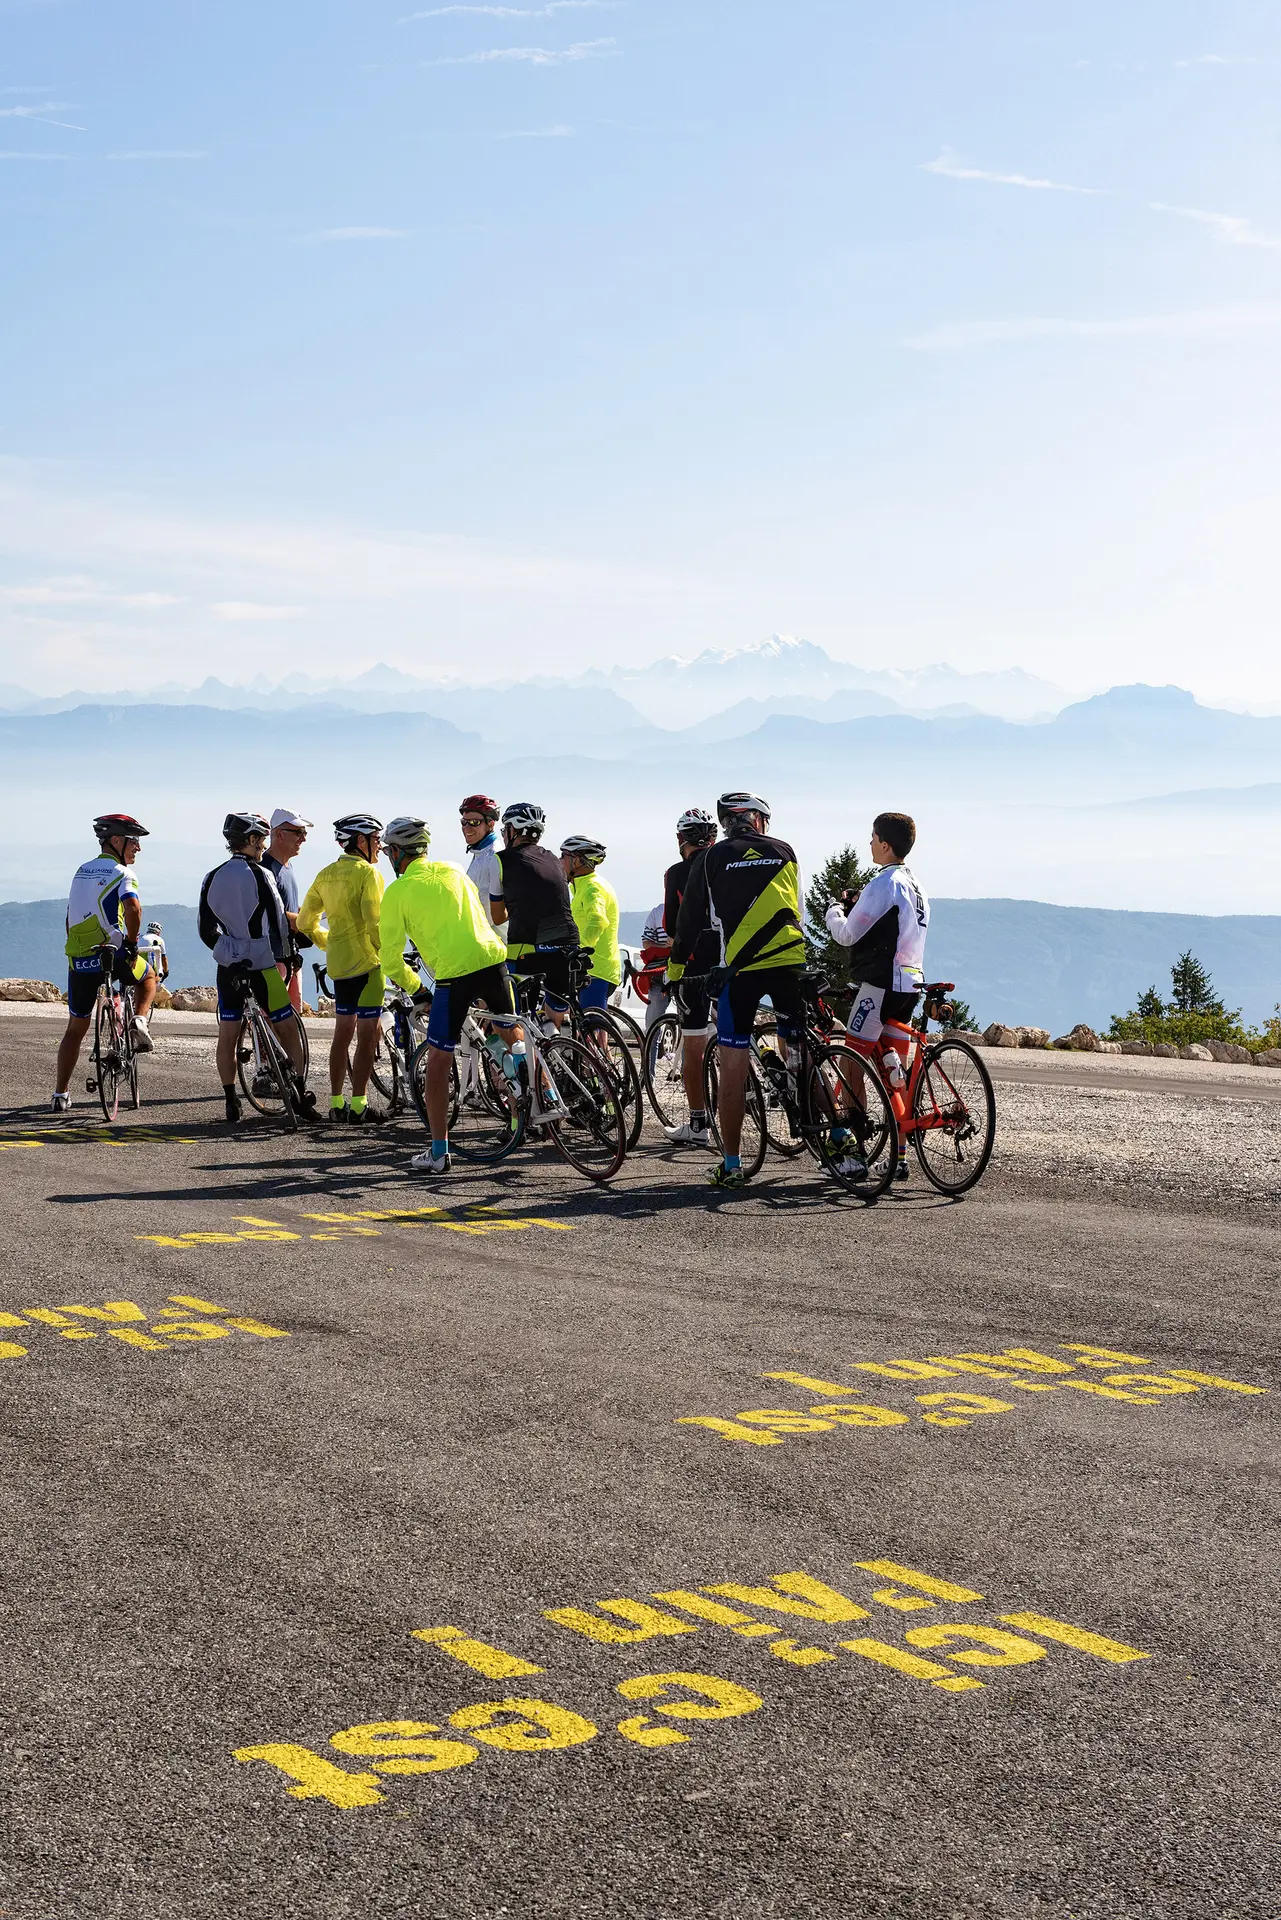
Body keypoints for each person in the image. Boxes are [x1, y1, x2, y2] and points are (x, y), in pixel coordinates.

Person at [673, 791, 807, 1189]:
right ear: (758, 820)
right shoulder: (784, 850)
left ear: (727, 823)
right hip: (789, 962)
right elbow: (797, 909)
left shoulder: (711, 858)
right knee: (802, 1050)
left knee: (732, 1065)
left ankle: (732, 1165)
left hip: (741, 970)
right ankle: (839, 1138)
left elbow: (689, 919)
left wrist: (676, 970)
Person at [378, 816, 521, 1176]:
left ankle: (439, 1152)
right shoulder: (455, 869)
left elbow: (390, 961)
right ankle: (540, 1102)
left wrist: (418, 990)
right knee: (511, 1035)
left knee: (439, 1061)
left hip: (454, 976)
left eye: (388, 852)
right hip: (493, 961)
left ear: (397, 853)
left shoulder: (397, 891)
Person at [824, 811, 929, 1184]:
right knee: (892, 1077)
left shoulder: (883, 882)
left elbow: (847, 935)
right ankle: (899, 1158)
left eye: (872, 837)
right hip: (910, 985)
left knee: (852, 1061)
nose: (869, 842)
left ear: (884, 844)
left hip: (880, 985)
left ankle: (854, 1153)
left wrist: (834, 911)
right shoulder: (915, 884)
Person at [198, 811, 313, 1126]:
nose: (263, 845)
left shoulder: (211, 876)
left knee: (229, 1035)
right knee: (286, 1025)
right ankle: (299, 1092)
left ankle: (230, 1099)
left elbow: (206, 930)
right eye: (261, 839)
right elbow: (278, 922)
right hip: (262, 963)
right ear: (250, 840)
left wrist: (228, 949)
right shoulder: (262, 875)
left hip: (228, 967)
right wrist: (290, 953)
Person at [54, 813, 160, 1111]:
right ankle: (138, 1021)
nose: (138, 847)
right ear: (116, 840)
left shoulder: (80, 871)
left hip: (80, 959)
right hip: (113, 954)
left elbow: (70, 917)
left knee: (75, 1028)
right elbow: (133, 908)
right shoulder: (123, 873)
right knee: (149, 977)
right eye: (134, 841)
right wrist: (131, 942)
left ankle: (60, 1094)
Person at [298, 813, 385, 1124]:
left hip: (339, 966)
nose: (379, 846)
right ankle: (359, 1105)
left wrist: (329, 942)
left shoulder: (325, 874)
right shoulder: (369, 874)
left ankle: (336, 1104)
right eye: (376, 839)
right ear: (361, 841)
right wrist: (388, 954)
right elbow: (374, 922)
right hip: (368, 965)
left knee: (342, 1034)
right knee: (367, 1036)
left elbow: (304, 922)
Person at [658, 806, 721, 1146]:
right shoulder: (726, 864)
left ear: (681, 839)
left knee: (693, 1047)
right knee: (735, 1035)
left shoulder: (677, 872)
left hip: (694, 965)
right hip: (731, 959)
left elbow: (671, 925)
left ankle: (698, 1124)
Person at [493, 801, 578, 1023]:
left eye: (504, 829)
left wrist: (517, 906)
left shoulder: (500, 860)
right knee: (556, 1012)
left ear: (513, 829)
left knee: (512, 1017)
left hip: (527, 948)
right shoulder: (554, 859)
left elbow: (497, 917)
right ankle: (559, 1038)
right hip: (567, 945)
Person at [559, 835, 621, 1011]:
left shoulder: (593, 887)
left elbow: (598, 921)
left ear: (577, 861)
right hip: (587, 968)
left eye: (563, 856)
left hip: (596, 970)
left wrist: (579, 949)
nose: (559, 860)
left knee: (592, 1022)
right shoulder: (582, 887)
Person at [262, 808, 313, 1014]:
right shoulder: (265, 868)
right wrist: (306, 921)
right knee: (273, 1017)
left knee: (292, 1018)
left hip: (290, 955)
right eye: (298, 833)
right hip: (273, 957)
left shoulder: (287, 866)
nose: (303, 839)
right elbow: (270, 914)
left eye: (304, 833)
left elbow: (287, 907)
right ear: (279, 834)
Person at [459, 795, 503, 930]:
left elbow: (488, 912)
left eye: (474, 822)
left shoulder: (493, 855)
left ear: (491, 824)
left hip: (494, 938)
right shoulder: (480, 852)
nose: (467, 828)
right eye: (464, 822)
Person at [138, 921, 169, 985]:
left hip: (138, 963)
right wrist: (166, 972)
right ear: (158, 932)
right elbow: (164, 958)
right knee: (156, 976)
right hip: (150, 964)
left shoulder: (140, 937)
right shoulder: (159, 939)